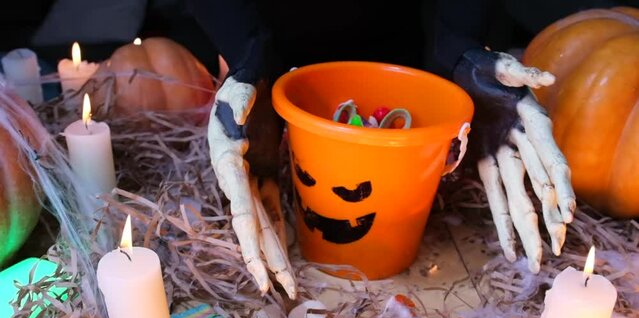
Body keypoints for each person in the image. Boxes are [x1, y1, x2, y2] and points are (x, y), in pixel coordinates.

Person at [184, 0, 585, 299]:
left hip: (411, 57)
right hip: (279, 59)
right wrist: (251, 60)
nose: (349, 189)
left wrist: (455, 50)